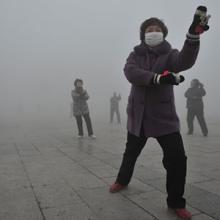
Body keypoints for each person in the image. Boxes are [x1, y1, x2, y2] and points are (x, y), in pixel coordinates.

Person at [109, 6, 210, 220]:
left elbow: (186, 61)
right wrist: (157, 78)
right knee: (130, 153)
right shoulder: (134, 55)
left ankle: (175, 201)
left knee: (176, 159)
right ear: (143, 35)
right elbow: (130, 72)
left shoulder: (170, 55)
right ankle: (122, 180)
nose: (152, 31)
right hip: (138, 117)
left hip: (164, 118)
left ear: (163, 34)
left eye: (156, 29)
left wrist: (193, 35)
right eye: (149, 29)